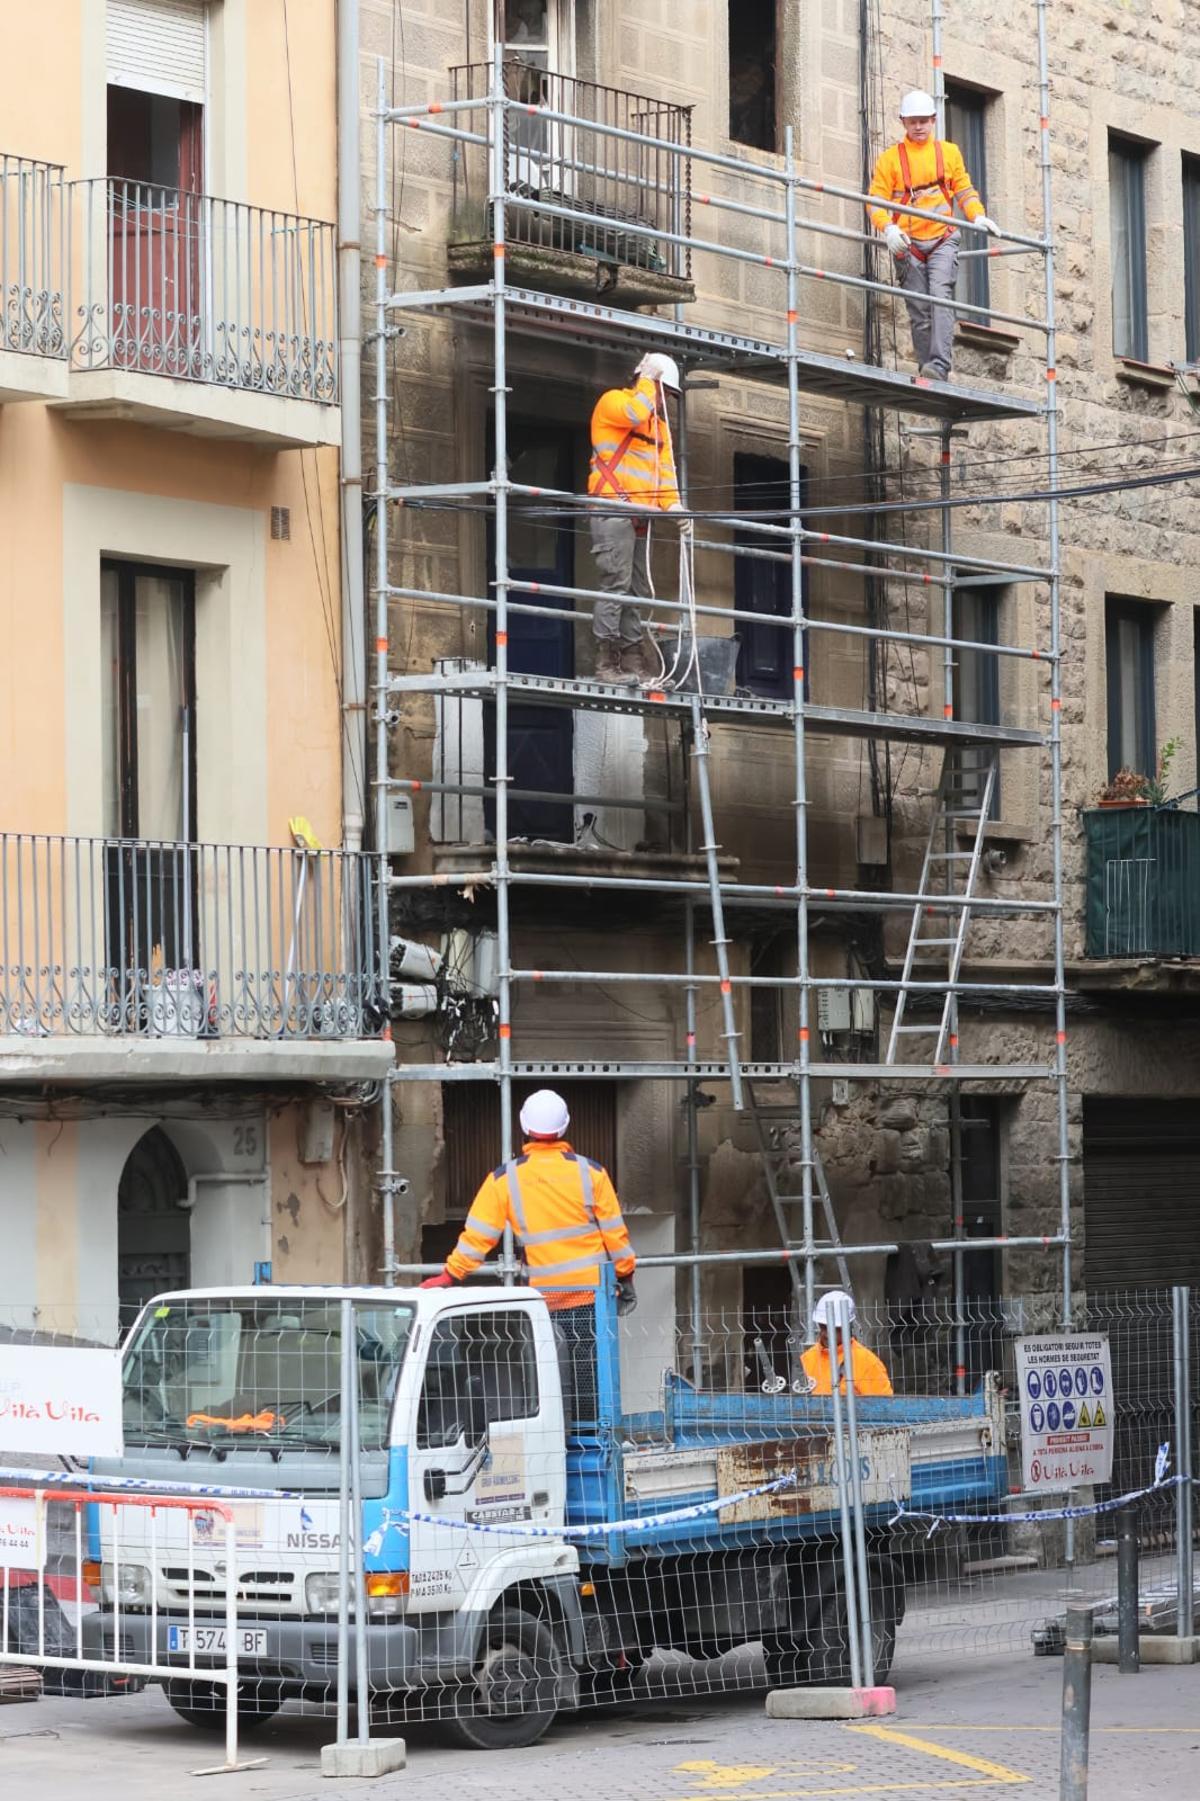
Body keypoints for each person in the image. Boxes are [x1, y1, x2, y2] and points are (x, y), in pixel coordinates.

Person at [420, 1089, 636, 1424]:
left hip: (542, 1299)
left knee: (547, 1379)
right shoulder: (591, 1173)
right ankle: (593, 1441)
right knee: (590, 1379)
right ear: (565, 1127)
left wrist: (451, 1275)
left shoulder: (504, 1180)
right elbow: (616, 1237)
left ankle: (554, 1441)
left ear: (523, 1126)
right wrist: (625, 1275)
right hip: (590, 1296)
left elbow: (478, 1237)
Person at [867, 89, 1001, 383]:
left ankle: (939, 365)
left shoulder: (948, 153)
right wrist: (887, 227)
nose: (918, 127)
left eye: (924, 121)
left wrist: (976, 214)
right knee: (919, 309)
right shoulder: (890, 160)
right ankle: (927, 366)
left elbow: (963, 190)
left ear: (934, 120)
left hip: (942, 237)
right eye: (913, 121)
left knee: (941, 297)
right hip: (908, 244)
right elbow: (876, 200)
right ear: (903, 122)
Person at [587, 351, 689, 684]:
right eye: (664, 392)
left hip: (640, 516)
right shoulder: (614, 402)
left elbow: (666, 473)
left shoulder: (659, 429)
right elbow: (632, 413)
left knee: (638, 590)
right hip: (612, 509)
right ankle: (607, 662)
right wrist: (648, 381)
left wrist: (675, 508)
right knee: (616, 585)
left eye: (668, 396)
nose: (665, 401)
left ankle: (632, 660)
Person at [800, 1289, 894, 1397]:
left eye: (835, 1328)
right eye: (823, 1326)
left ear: (847, 1326)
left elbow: (884, 1408)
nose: (827, 1334)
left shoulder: (867, 1363)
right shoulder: (807, 1359)